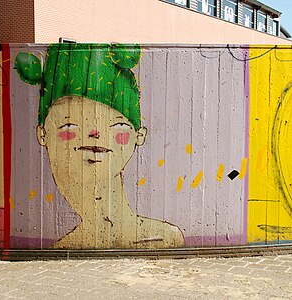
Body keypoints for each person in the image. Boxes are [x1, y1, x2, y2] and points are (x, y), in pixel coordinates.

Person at [15, 43, 184, 249]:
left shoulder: (165, 237)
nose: (95, 135)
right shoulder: (64, 246)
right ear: (42, 133)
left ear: (138, 136)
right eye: (70, 126)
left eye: (116, 125)